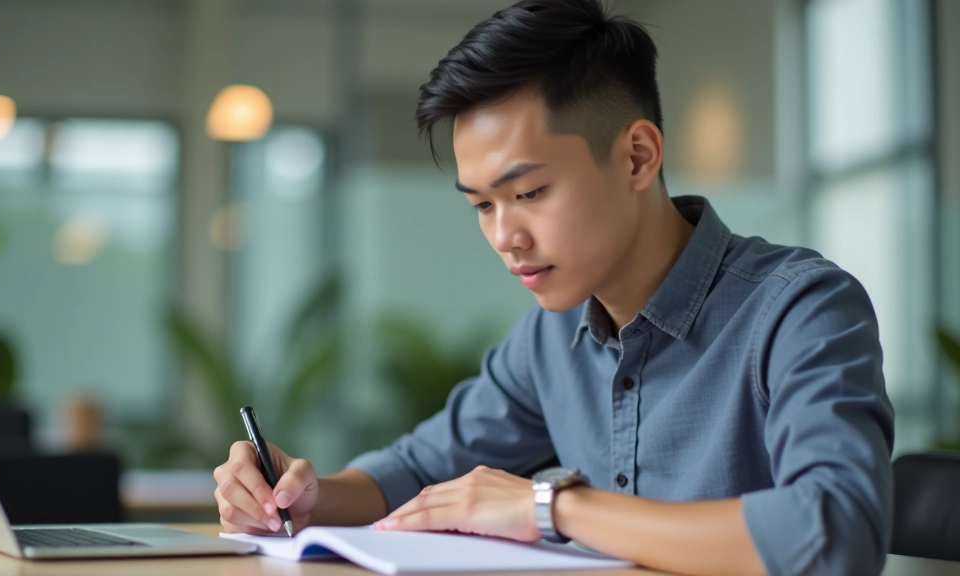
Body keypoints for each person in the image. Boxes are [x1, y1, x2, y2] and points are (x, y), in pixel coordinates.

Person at [212, 1, 894, 574]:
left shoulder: (800, 308)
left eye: (530, 191)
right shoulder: (549, 340)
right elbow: (417, 469)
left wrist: (551, 507)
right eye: (482, 204)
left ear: (637, 157)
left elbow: (835, 529)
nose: (506, 236)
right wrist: (305, 495)